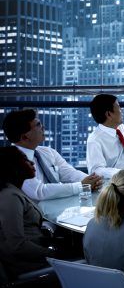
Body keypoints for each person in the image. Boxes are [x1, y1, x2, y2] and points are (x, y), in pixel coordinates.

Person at [3, 108, 101, 201]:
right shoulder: (12, 162)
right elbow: (40, 191)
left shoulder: (48, 152)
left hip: (61, 207)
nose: (43, 127)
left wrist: (93, 180)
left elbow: (69, 173)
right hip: (37, 215)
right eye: (38, 125)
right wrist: (81, 186)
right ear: (25, 136)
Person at [0, 146, 57, 277]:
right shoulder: (10, 196)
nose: (31, 163)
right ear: (12, 166)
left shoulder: (15, 191)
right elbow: (17, 246)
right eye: (25, 160)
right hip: (29, 267)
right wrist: (54, 253)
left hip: (36, 257)